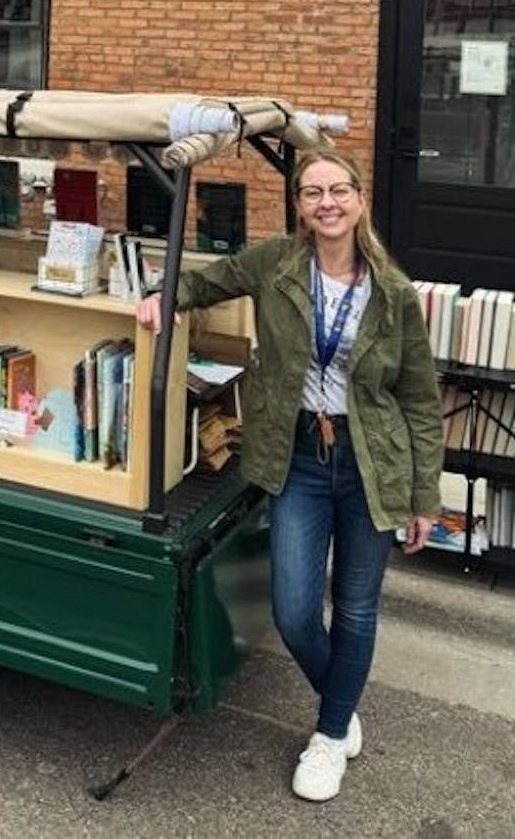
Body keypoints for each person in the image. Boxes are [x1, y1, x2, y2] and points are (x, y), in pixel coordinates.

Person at [137, 148, 444, 802]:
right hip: (299, 454)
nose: (326, 202)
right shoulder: (277, 262)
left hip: (373, 463)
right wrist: (160, 300)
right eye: (312, 192)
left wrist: (424, 496)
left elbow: (419, 398)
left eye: (338, 190)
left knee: (356, 607)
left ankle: (330, 734)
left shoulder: (393, 293)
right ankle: (342, 699)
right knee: (295, 608)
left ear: (360, 199)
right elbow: (207, 280)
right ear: (301, 205)